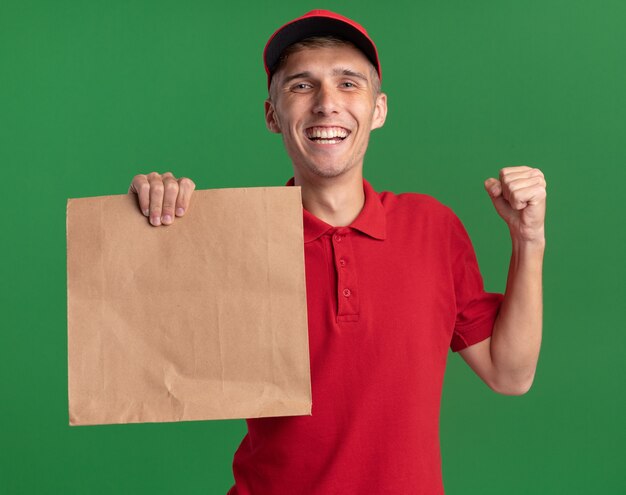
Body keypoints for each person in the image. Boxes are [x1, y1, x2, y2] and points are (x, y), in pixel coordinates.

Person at [129, 10, 546, 495]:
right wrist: (152, 223)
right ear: (271, 115)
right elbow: (150, 341)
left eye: (348, 83)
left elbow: (509, 373)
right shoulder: (232, 240)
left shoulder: (432, 228)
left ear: (379, 109)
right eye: (301, 86)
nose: (327, 104)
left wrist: (528, 240)